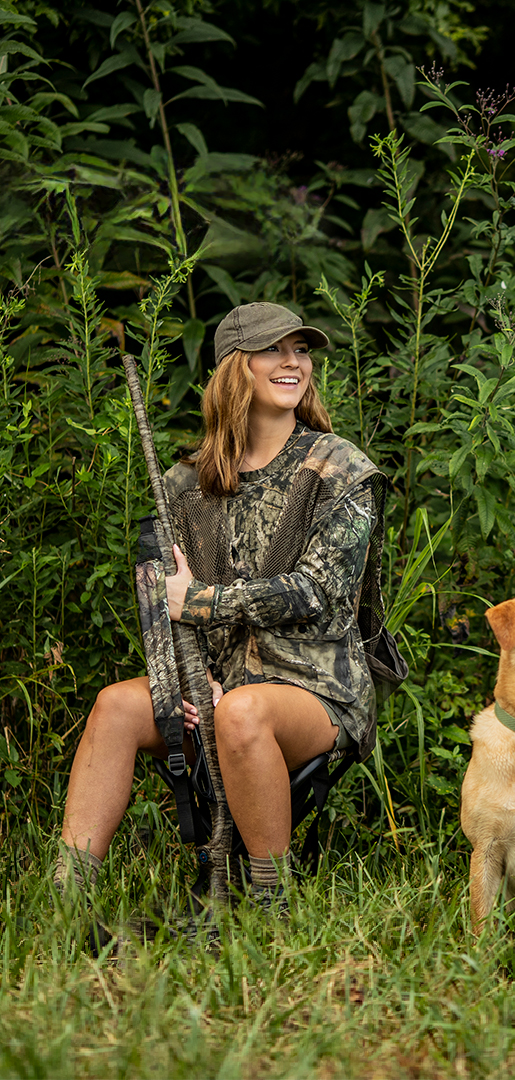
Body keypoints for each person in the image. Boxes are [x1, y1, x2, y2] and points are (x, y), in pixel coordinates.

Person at [56, 301, 389, 922]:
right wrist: (182, 680)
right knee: (116, 706)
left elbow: (319, 592)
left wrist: (204, 603)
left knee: (242, 712)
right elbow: (157, 606)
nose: (293, 362)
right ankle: (65, 898)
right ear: (236, 369)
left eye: (301, 350)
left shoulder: (340, 468)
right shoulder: (186, 483)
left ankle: (270, 908)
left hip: (317, 689)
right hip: (216, 684)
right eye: (274, 350)